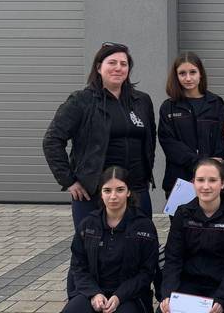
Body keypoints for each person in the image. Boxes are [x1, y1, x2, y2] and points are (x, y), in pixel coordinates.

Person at [43, 42, 156, 227]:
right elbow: (52, 140)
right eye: (112, 62)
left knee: (140, 241)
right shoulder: (81, 101)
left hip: (135, 190)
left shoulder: (141, 101)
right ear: (98, 67)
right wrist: (69, 180)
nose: (118, 68)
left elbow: (150, 140)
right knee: (92, 243)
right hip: (93, 193)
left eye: (124, 63)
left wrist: (145, 175)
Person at [64, 166, 158, 313]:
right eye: (107, 190)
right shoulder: (88, 224)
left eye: (120, 190)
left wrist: (119, 296)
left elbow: (147, 272)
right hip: (93, 292)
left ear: (128, 192)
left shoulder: (144, 226)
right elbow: (78, 267)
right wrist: (94, 294)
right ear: (101, 193)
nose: (113, 196)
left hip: (130, 296)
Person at [160, 159, 224, 313]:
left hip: (223, 288)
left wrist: (222, 300)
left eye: (212, 180)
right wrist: (168, 294)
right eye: (200, 180)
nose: (206, 186)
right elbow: (173, 259)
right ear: (193, 183)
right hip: (188, 287)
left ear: (223, 184)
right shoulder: (182, 214)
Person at [158, 51, 224, 197]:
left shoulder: (215, 103)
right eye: (182, 73)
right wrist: (199, 162)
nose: (188, 78)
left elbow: (222, 140)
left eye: (193, 72)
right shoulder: (168, 107)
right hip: (179, 180)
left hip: (211, 180)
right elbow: (169, 143)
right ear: (176, 76)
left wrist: (211, 167)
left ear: (200, 73)